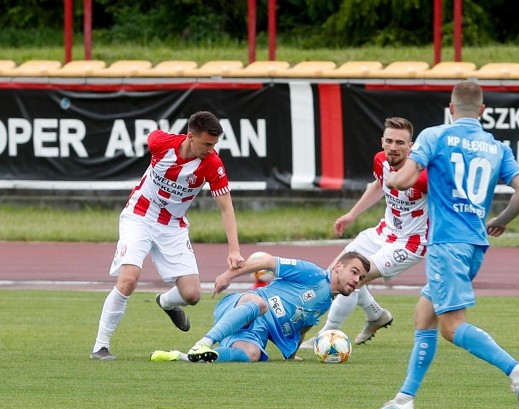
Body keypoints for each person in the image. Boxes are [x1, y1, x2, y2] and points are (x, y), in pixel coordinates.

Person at [362, 81, 519, 409]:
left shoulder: (434, 136)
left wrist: (396, 178)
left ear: (451, 108)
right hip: (474, 243)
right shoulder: (496, 146)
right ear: (483, 111)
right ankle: (403, 400)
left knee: (452, 327)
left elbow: (400, 180)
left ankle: (518, 371)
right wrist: (500, 219)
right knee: (424, 316)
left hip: (446, 244)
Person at [90, 111, 245, 361]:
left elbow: (226, 207)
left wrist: (234, 250)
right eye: (207, 144)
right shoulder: (160, 143)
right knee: (129, 279)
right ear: (190, 136)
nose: (211, 150)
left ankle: (165, 302)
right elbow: (150, 137)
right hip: (139, 215)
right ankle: (101, 346)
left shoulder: (213, 164)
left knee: (192, 295)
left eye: (215, 144)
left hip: (173, 226)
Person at [300, 117, 428, 348]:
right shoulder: (381, 160)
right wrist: (352, 214)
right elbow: (380, 184)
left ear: (411, 146)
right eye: (389, 141)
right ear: (382, 141)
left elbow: (447, 203)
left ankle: (327, 335)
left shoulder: (423, 175)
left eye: (400, 142)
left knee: (348, 280)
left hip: (410, 243)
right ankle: (376, 315)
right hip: (383, 231)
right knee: (333, 274)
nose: (393, 147)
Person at [150, 251, 370, 363]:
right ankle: (203, 343)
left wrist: (291, 354)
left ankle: (183, 357)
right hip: (243, 304)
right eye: (354, 272)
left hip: (257, 331)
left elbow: (303, 326)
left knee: (252, 354)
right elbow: (266, 261)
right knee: (260, 303)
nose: (356, 279)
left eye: (361, 277)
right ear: (339, 266)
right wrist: (228, 275)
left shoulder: (326, 301)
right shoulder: (312, 272)